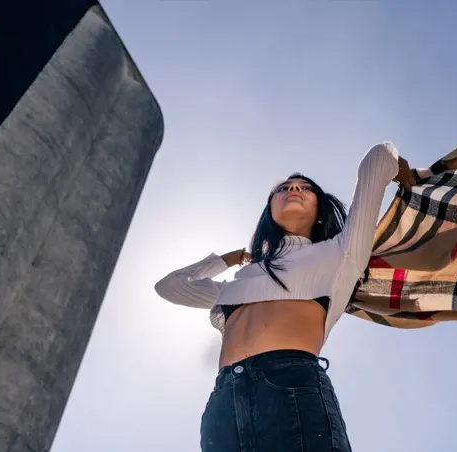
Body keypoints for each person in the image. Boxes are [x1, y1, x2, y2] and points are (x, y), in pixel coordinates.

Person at [155, 142, 411, 451]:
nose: (293, 189)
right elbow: (169, 286)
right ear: (269, 211)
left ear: (320, 210)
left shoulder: (341, 254)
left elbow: (376, 159)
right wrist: (229, 258)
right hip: (223, 401)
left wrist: (400, 168)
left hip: (292, 386)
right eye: (284, 188)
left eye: (305, 188)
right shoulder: (237, 283)